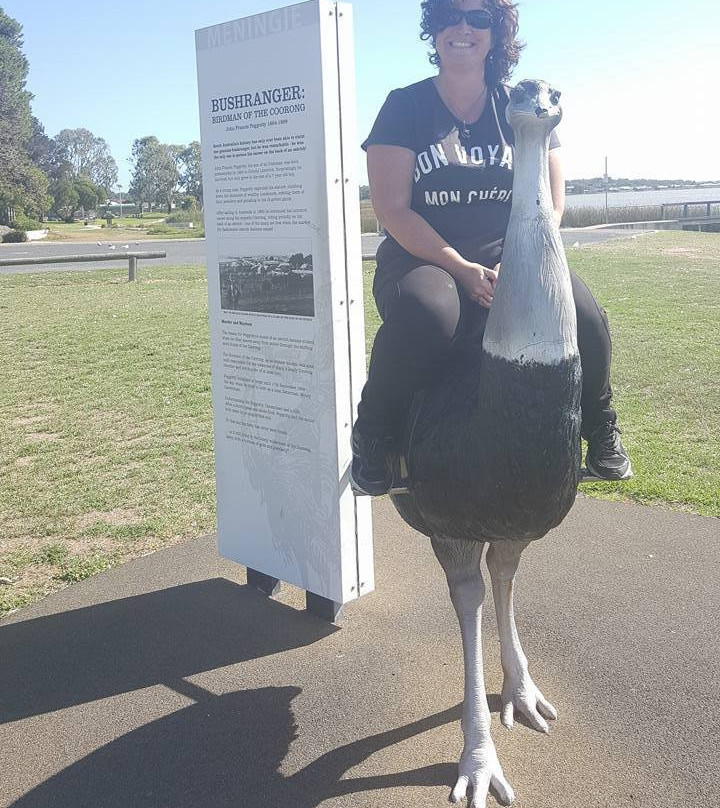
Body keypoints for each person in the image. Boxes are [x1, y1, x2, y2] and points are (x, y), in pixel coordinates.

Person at [351, 0, 632, 495]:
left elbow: (551, 203)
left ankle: (600, 424)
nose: (464, 27)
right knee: (432, 315)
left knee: (585, 315)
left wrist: (513, 264)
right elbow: (393, 211)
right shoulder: (405, 106)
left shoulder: (519, 106)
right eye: (450, 16)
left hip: (515, 257)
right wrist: (461, 269)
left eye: (479, 17)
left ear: (496, 31)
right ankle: (373, 433)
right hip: (425, 258)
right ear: (433, 27)